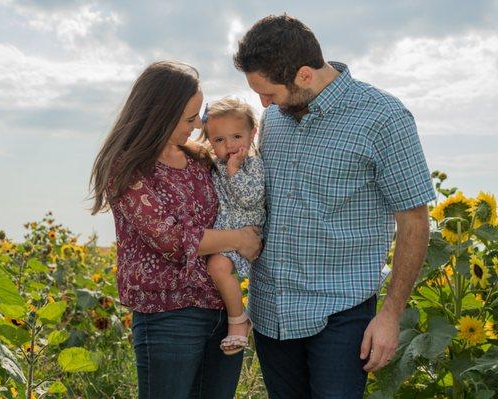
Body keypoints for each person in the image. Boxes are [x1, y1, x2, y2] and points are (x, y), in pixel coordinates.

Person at [233, 15, 436, 398]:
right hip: (271, 313)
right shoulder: (275, 116)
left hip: (340, 316)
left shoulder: (385, 118)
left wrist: (391, 314)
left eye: (269, 93)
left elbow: (414, 220)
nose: (262, 104)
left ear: (305, 75)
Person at [89, 61, 262, 399]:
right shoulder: (127, 167)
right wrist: (241, 238)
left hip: (221, 310)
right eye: (188, 119)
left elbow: (234, 199)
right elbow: (170, 238)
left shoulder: (198, 158)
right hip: (168, 314)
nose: (197, 125)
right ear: (160, 115)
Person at [199, 97, 266, 355]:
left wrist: (235, 170)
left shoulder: (252, 164)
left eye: (237, 136)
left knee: (217, 265)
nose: (229, 146)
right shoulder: (217, 164)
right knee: (217, 267)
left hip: (246, 232)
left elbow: (251, 198)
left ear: (253, 134)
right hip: (227, 232)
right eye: (219, 140)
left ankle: (238, 321)